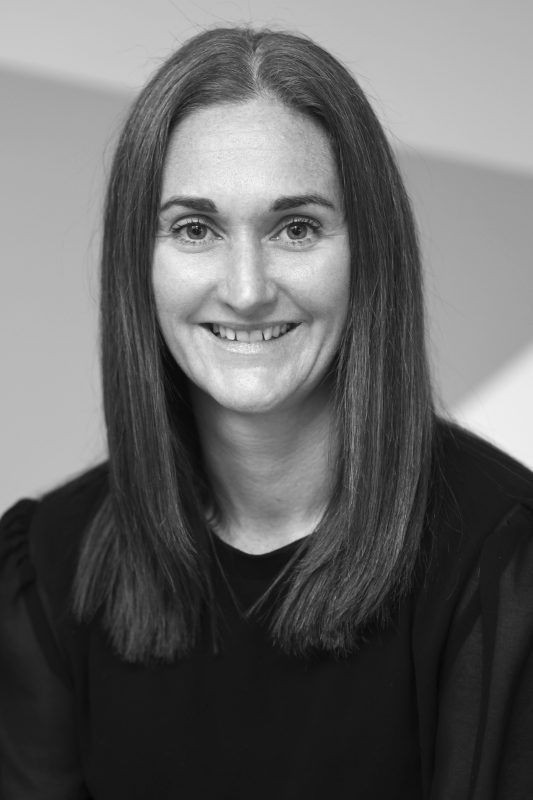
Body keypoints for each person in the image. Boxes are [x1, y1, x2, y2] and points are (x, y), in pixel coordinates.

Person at [0, 26, 532, 800]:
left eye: (296, 228)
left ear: (368, 255)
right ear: (136, 265)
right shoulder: (48, 571)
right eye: (194, 229)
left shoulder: (504, 567)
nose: (246, 288)